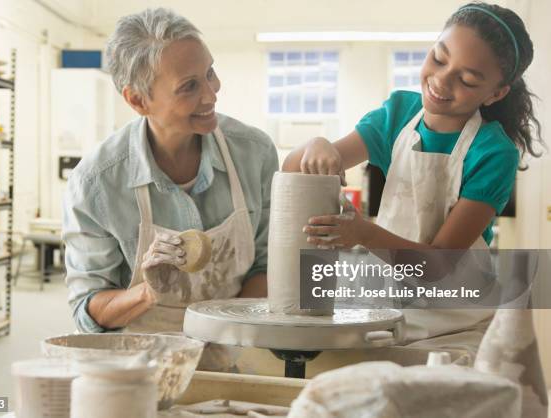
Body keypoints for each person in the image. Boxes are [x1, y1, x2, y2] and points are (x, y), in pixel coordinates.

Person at [283, 3, 542, 355]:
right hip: (385, 303)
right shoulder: (397, 115)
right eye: (438, 58)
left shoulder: (494, 152)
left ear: (496, 93)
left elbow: (438, 266)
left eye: (466, 80)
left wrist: (361, 232)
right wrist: (318, 144)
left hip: (454, 321)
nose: (441, 81)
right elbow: (293, 169)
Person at [63, 8, 278, 370]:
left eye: (210, 73)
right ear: (137, 100)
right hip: (136, 369)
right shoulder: (97, 182)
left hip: (236, 355)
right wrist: (149, 292)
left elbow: (266, 265)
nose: (211, 94)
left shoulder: (253, 153)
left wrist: (224, 334)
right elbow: (88, 308)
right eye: (189, 86)